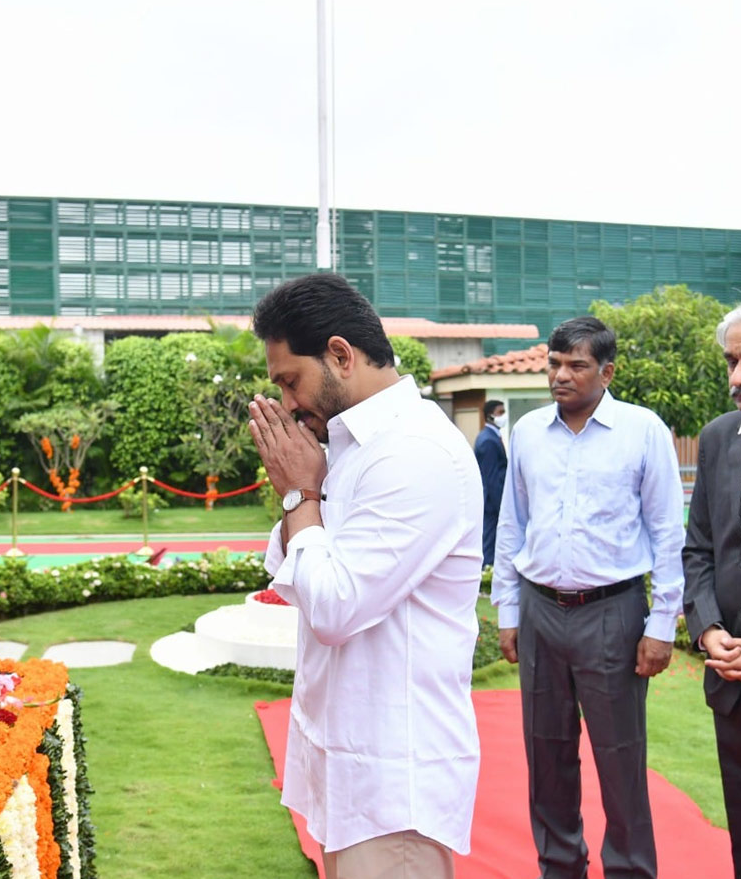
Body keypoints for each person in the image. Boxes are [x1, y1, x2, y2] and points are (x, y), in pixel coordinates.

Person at [248, 273, 481, 879]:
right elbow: (289, 567)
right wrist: (306, 500)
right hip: (353, 760)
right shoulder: (352, 446)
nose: (289, 403)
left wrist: (301, 494)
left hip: (392, 776)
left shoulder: (414, 452)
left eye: (289, 381)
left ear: (340, 355)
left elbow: (331, 607)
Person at [492, 316, 684, 879]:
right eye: (554, 363)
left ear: (607, 371)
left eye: (577, 365)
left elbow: (668, 531)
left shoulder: (642, 430)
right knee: (545, 755)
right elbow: (512, 526)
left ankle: (629, 870)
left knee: (619, 758)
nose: (561, 375)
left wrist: (662, 625)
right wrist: (508, 611)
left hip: (613, 613)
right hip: (540, 610)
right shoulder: (526, 432)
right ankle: (560, 867)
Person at [682, 296, 741, 879]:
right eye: (733, 362)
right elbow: (700, 550)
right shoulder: (717, 438)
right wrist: (709, 628)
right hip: (733, 686)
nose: (738, 376)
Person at [474, 399, 508, 566]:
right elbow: (492, 477)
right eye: (500, 412)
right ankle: (486, 575)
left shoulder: (492, 436)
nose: (504, 416)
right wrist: (500, 506)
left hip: (491, 502)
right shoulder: (488, 440)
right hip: (491, 503)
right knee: (489, 542)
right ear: (489, 416)